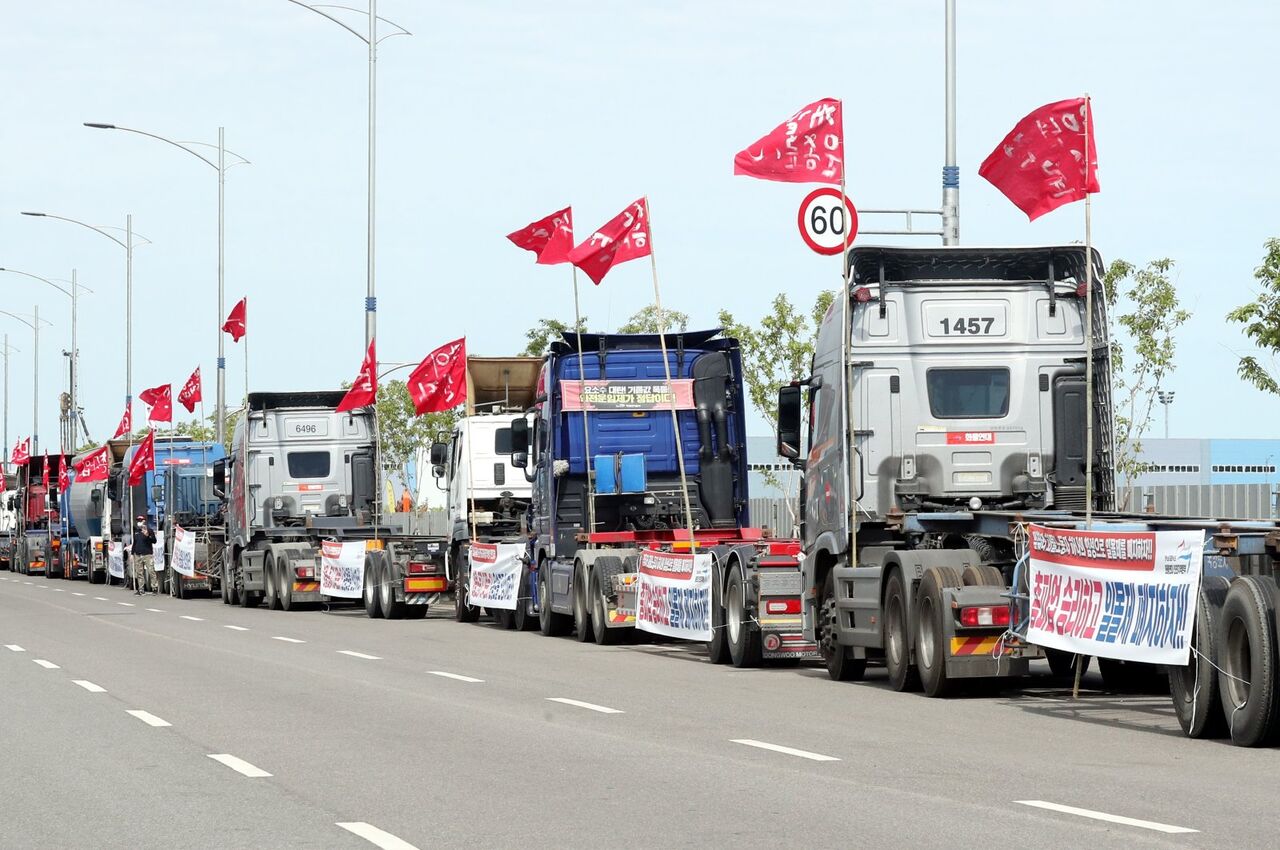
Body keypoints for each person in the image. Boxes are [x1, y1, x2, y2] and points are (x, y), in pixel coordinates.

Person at [130, 515, 157, 595]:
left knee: (151, 571)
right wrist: (132, 554)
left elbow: (154, 541)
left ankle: (154, 587)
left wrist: (148, 535)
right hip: (138, 554)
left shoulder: (149, 530)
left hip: (147, 554)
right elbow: (134, 543)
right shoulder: (136, 531)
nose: (139, 522)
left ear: (144, 521)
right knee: (139, 572)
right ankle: (141, 589)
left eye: (141, 520)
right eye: (138, 520)